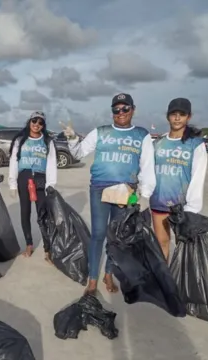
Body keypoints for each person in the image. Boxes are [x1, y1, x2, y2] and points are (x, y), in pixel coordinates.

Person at [61, 93, 156, 295]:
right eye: (116, 109)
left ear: (133, 109)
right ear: (112, 111)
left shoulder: (142, 135)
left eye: (125, 108)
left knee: (117, 237)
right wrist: (71, 138)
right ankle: (93, 279)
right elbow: (78, 153)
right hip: (100, 189)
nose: (120, 113)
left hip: (126, 191)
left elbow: (147, 166)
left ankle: (108, 273)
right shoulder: (101, 131)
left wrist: (145, 193)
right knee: (98, 234)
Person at [150, 98, 207, 261]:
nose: (177, 118)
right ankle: (164, 283)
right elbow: (148, 170)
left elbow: (198, 176)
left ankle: (180, 284)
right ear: (168, 116)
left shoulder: (195, 144)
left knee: (184, 247)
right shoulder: (158, 143)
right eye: (173, 114)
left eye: (181, 114)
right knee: (161, 243)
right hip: (159, 201)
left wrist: (192, 208)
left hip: (182, 206)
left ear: (188, 117)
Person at [8, 111, 58, 261]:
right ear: (29, 122)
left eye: (40, 122)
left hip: (41, 179)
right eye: (34, 121)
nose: (36, 125)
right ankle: (29, 244)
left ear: (44, 125)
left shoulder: (48, 141)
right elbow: (13, 161)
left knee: (43, 214)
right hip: (24, 177)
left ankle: (47, 249)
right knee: (25, 212)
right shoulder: (20, 140)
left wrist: (51, 184)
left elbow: (51, 164)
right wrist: (12, 183)